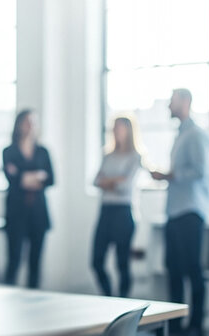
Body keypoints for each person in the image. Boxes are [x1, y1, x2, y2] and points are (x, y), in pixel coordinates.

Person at [150, 88, 209, 336]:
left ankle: (196, 325)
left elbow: (200, 172)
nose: (168, 106)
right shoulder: (180, 135)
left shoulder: (196, 135)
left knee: (192, 269)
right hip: (174, 212)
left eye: (172, 101)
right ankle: (174, 324)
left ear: (185, 102)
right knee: (173, 269)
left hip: (190, 211)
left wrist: (169, 175)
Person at [2, 110, 55, 288]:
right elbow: (14, 180)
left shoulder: (42, 151)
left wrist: (23, 176)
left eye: (33, 121)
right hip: (16, 212)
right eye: (26, 121)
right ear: (19, 124)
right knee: (14, 259)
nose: (30, 125)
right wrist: (36, 177)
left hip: (38, 213)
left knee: (35, 262)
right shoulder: (9, 151)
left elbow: (51, 179)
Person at [91, 116, 142, 297]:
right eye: (114, 127)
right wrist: (116, 179)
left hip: (124, 212)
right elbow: (96, 181)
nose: (115, 131)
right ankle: (109, 298)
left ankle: (123, 303)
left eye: (119, 128)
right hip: (106, 212)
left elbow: (125, 187)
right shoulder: (107, 156)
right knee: (96, 261)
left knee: (122, 263)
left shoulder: (135, 157)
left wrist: (108, 181)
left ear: (128, 131)